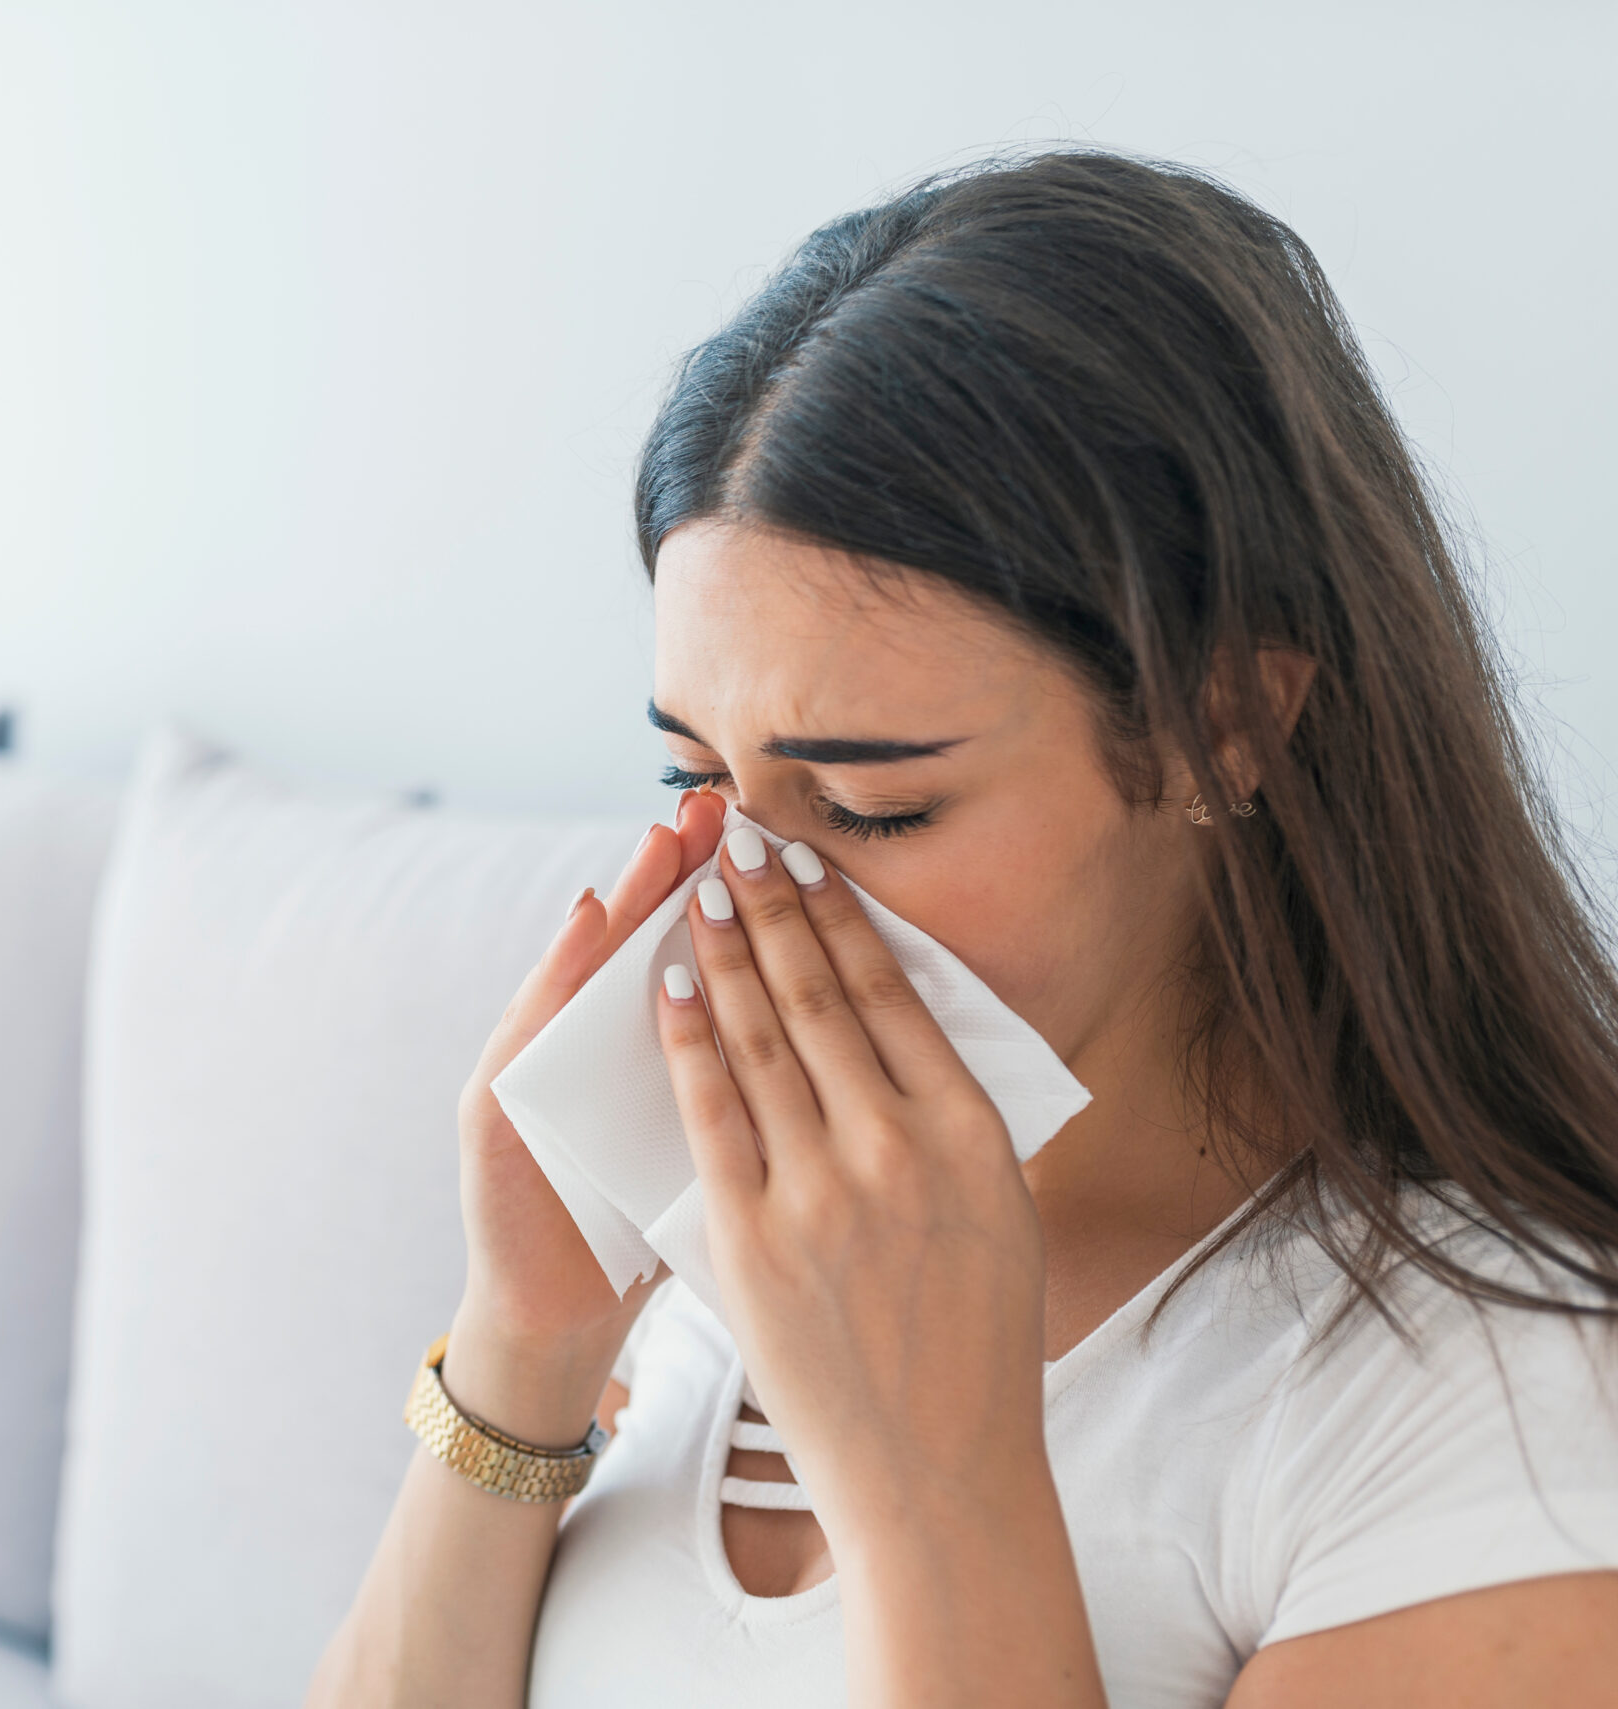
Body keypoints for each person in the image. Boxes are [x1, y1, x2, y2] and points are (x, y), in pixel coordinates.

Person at [306, 150, 1618, 1708]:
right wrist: (523, 1351)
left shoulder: (1498, 1400)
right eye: (699, 777)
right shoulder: (733, 1243)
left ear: (1226, 727)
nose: (750, 900)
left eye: (874, 808)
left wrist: (936, 1481)